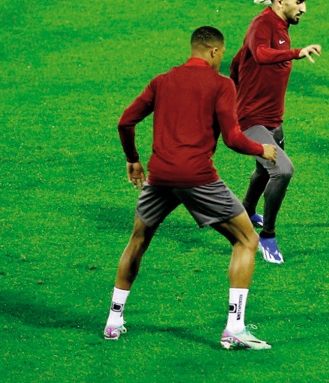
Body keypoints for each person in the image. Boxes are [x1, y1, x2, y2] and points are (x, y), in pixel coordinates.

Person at [105, 26, 277, 350]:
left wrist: (133, 159)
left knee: (138, 239)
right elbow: (233, 139)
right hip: (198, 178)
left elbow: (125, 122)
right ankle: (234, 329)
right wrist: (262, 150)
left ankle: (113, 321)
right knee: (246, 239)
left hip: (159, 178)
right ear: (213, 51)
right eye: (221, 54)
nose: (221, 59)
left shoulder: (162, 81)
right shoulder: (221, 84)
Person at [230, 0, 321, 263]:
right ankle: (266, 236)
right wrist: (295, 53)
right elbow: (259, 53)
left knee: (263, 170)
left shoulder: (281, 24)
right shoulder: (263, 24)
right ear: (280, 1)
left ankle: (244, 211)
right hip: (251, 121)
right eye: (300, 2)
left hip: (272, 119)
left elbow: (239, 59)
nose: (304, 8)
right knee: (282, 170)